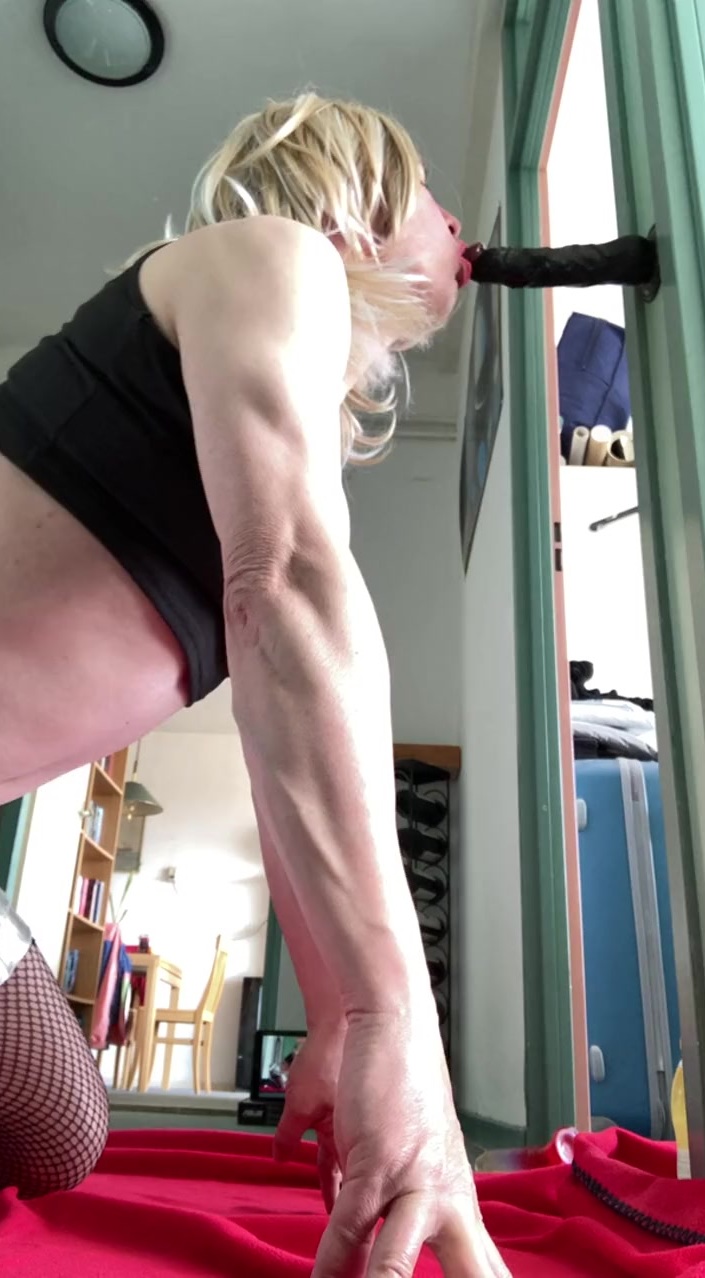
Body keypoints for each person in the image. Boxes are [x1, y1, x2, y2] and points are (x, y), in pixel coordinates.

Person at [0, 93, 508, 1276]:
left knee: (59, 1129)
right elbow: (279, 594)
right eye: (432, 198)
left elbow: (281, 728)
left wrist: (334, 1010)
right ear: (358, 202)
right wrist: (395, 1021)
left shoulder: (275, 410)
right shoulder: (274, 254)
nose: (456, 226)